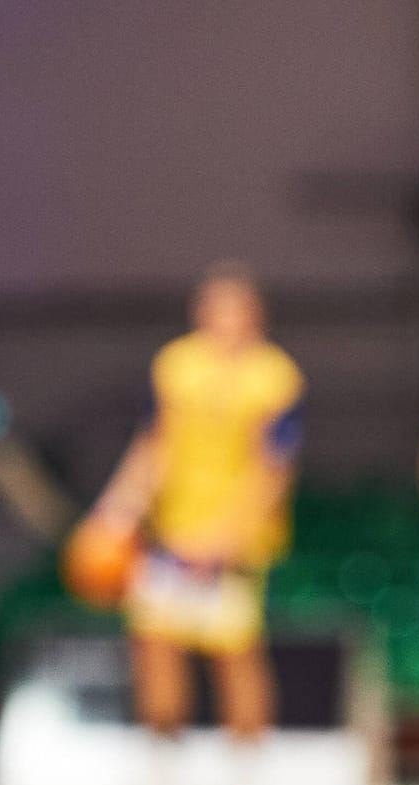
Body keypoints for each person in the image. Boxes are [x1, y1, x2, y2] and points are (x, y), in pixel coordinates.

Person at [80, 265, 304, 742]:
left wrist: (227, 535)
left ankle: (248, 758)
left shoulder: (275, 377)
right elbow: (154, 444)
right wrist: (117, 509)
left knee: (234, 648)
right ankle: (163, 751)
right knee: (156, 640)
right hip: (174, 527)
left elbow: (274, 470)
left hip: (237, 540)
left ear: (255, 317)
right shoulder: (176, 366)